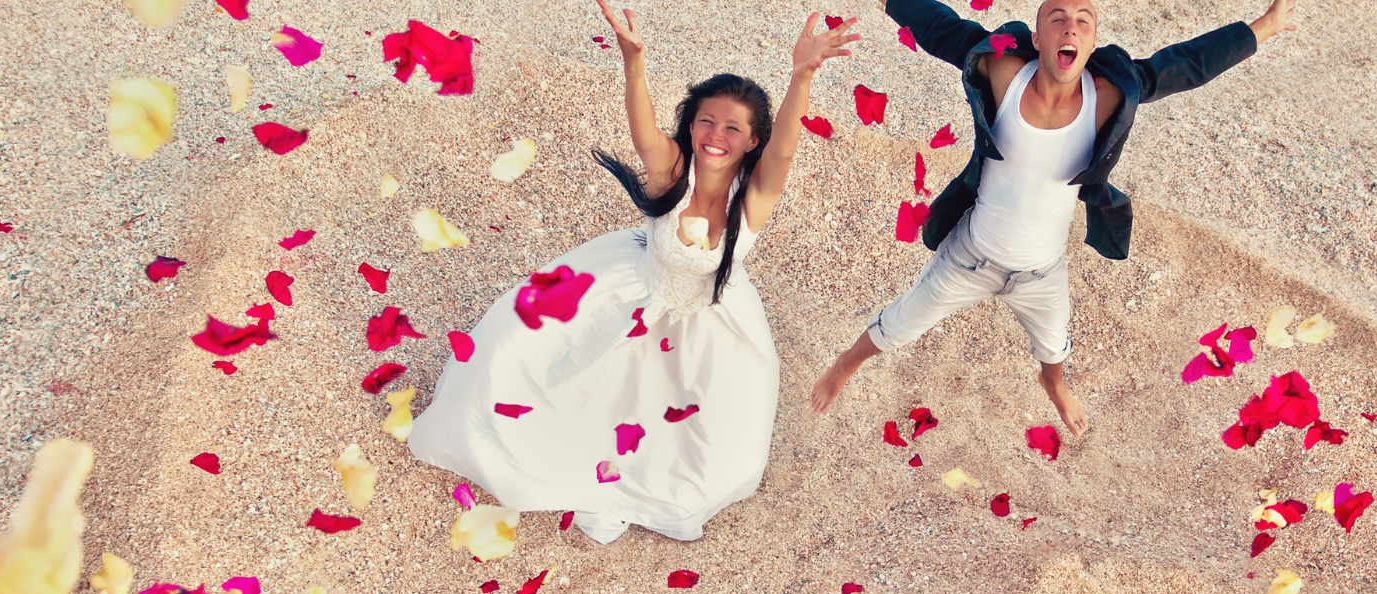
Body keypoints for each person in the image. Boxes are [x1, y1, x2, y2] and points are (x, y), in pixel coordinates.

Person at [407, 4, 861, 544]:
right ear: (692, 125)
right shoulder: (671, 170)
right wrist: (633, 61)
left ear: (752, 141)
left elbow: (785, 151)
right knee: (563, 378)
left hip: (706, 323)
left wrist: (802, 74)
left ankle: (641, 485)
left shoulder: (754, 199)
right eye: (706, 121)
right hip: (633, 297)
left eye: (733, 128)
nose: (716, 135)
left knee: (709, 443)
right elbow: (645, 134)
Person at [810, 0, 1301, 436]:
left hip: (1042, 274)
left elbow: (1185, 64)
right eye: (1058, 19)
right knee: (901, 323)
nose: (1070, 28)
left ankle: (1053, 385)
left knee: (1053, 349)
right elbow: (944, 29)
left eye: (1083, 22)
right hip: (970, 257)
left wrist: (1267, 24)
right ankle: (843, 367)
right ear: (1039, 36)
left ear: (1091, 42)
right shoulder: (1003, 71)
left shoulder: (1109, 94)